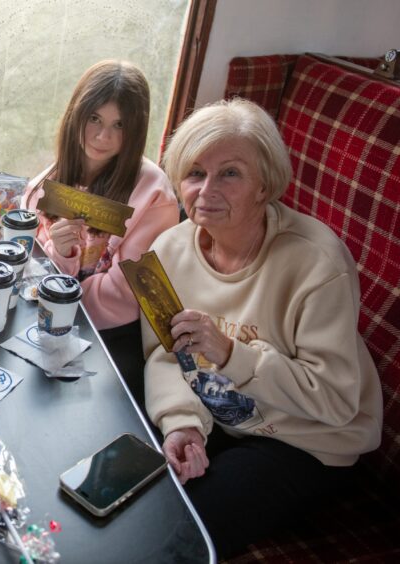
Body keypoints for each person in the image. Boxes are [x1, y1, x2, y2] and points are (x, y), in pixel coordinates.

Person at [145, 98, 383, 557]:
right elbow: (163, 353)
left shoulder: (318, 263)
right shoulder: (166, 250)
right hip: (217, 417)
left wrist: (234, 355)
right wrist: (182, 425)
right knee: (136, 497)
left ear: (264, 185)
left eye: (230, 173)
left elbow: (335, 401)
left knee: (182, 534)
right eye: (194, 173)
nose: (206, 190)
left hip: (304, 441)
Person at [23, 60, 179, 398]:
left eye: (118, 125)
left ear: (135, 131)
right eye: (94, 118)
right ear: (76, 116)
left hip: (113, 336)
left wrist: (56, 295)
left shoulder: (154, 195)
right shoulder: (51, 178)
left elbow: (127, 297)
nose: (102, 136)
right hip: (53, 316)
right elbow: (33, 260)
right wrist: (62, 255)